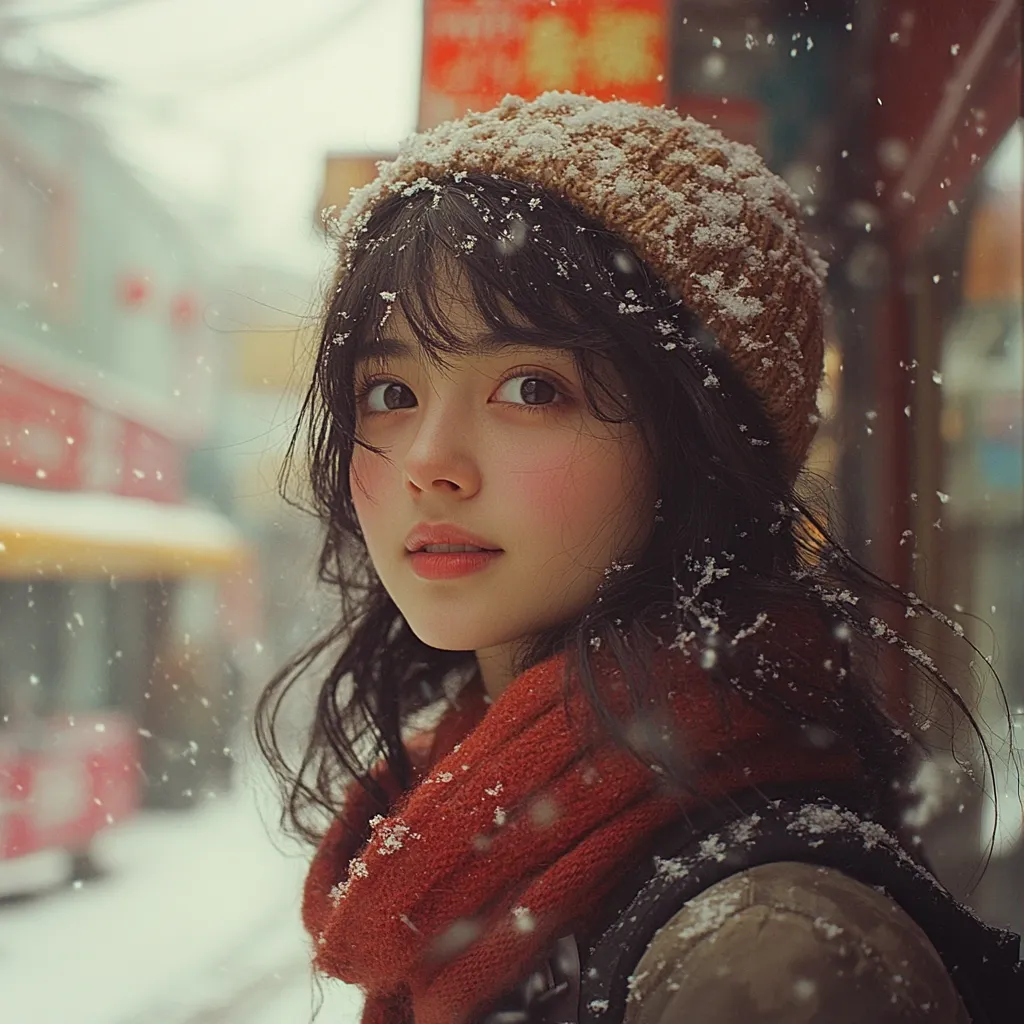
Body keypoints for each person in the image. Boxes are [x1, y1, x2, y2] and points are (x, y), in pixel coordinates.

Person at [256, 93, 1022, 1023]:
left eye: (531, 387)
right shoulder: (462, 854)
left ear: (695, 449)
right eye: (387, 390)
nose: (429, 463)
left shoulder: (765, 954)